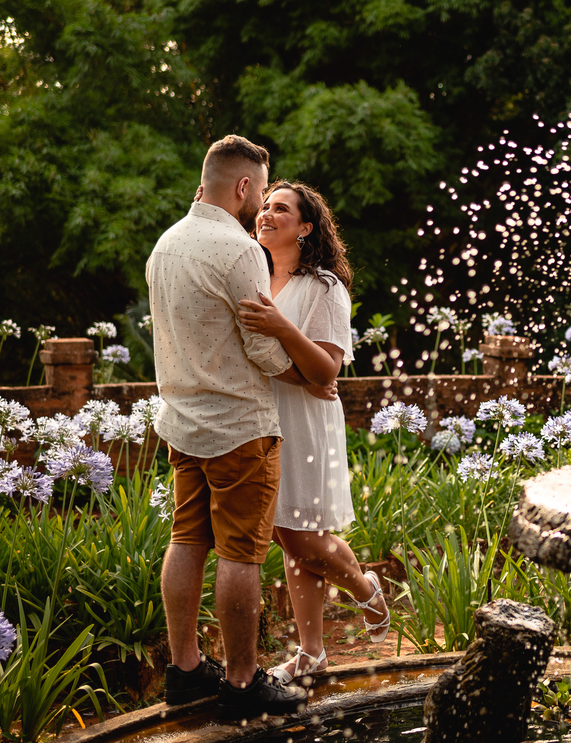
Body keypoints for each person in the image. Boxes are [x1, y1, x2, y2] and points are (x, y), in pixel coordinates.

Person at [148, 136, 311, 721]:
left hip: (182, 423)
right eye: (261, 191)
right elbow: (264, 351)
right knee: (242, 554)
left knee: (187, 539)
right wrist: (310, 370)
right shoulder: (239, 250)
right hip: (240, 428)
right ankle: (242, 685)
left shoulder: (167, 244)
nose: (261, 203)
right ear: (244, 187)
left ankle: (185, 671)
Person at [237, 181, 390, 688]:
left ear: (305, 227)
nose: (267, 213)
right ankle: (312, 654)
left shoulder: (325, 286)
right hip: (258, 415)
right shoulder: (251, 276)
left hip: (304, 418)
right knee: (285, 534)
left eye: (281, 208)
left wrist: (281, 328)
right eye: (264, 206)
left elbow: (325, 372)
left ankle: (366, 588)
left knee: (304, 534)